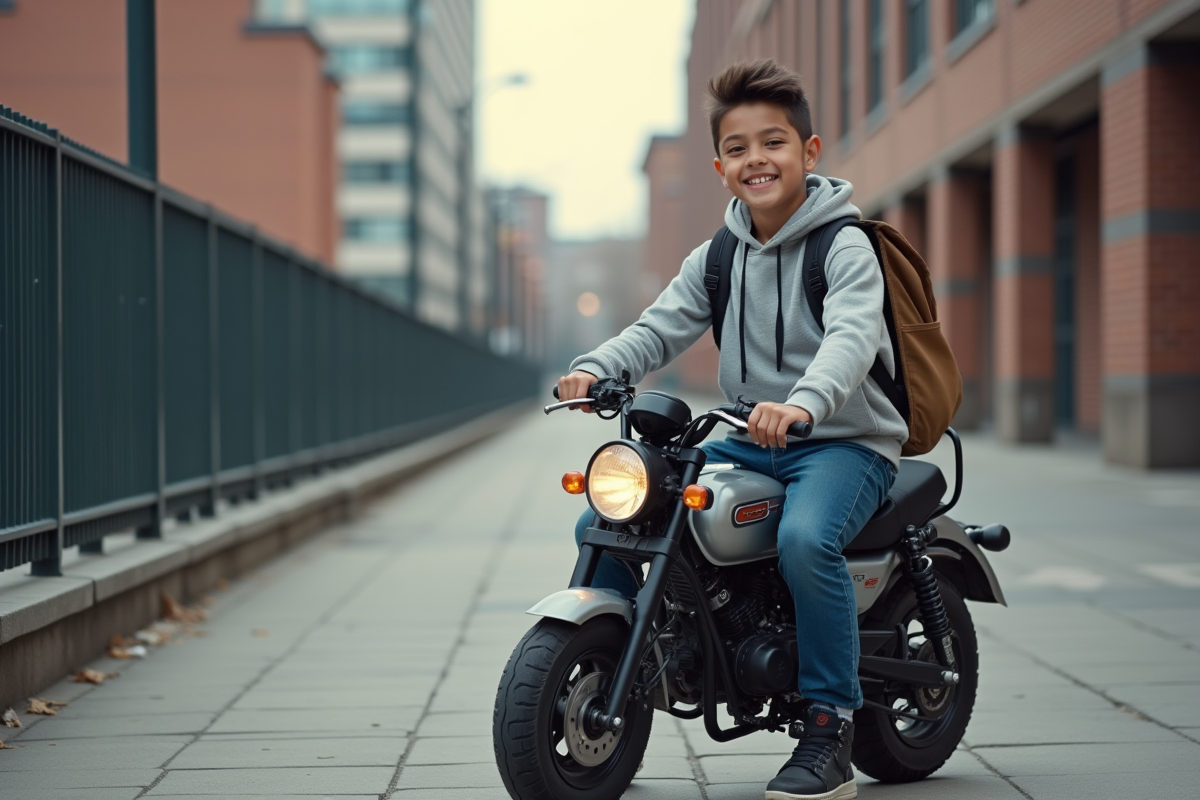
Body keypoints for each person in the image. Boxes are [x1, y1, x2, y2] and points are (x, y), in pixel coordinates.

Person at [556, 59, 905, 800]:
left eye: (773, 143)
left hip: (844, 440)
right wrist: (593, 367)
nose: (757, 160)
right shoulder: (717, 256)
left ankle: (829, 723)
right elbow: (658, 328)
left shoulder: (845, 246)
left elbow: (850, 338)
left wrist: (806, 403)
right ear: (720, 167)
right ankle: (604, 663)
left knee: (806, 540)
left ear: (808, 154)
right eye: (740, 148)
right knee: (609, 511)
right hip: (749, 436)